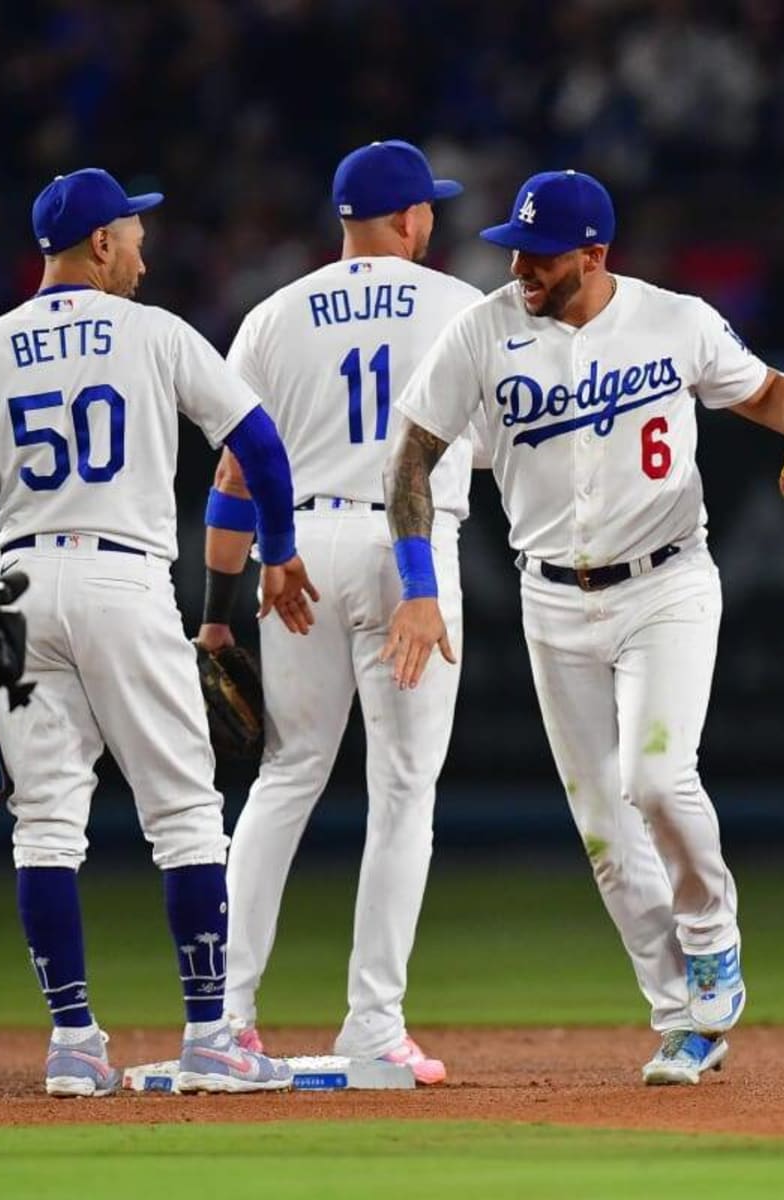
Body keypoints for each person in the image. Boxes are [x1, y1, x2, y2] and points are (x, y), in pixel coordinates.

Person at [385, 169, 784, 1085]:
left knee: (655, 775)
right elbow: (412, 452)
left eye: (538, 252)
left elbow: (761, 389)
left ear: (594, 254)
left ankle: (713, 939)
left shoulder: (673, 319)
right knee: (606, 834)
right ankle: (682, 1017)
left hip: (666, 584)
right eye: (515, 248)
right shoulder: (484, 329)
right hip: (551, 599)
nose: (520, 264)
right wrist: (417, 583)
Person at [0, 167, 314, 1095]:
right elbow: (259, 445)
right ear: (100, 244)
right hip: (124, 577)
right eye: (134, 234)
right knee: (187, 813)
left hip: (16, 584)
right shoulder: (155, 334)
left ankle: (73, 1043)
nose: (145, 251)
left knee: (44, 825)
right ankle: (211, 1038)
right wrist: (279, 548)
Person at [200, 140, 482, 1083]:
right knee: (403, 790)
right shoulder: (461, 306)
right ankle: (373, 1025)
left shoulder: (275, 315)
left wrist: (220, 613)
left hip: (300, 558)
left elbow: (234, 476)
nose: (432, 221)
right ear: (409, 220)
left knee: (285, 779)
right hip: (410, 550)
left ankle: (225, 1017)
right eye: (428, 209)